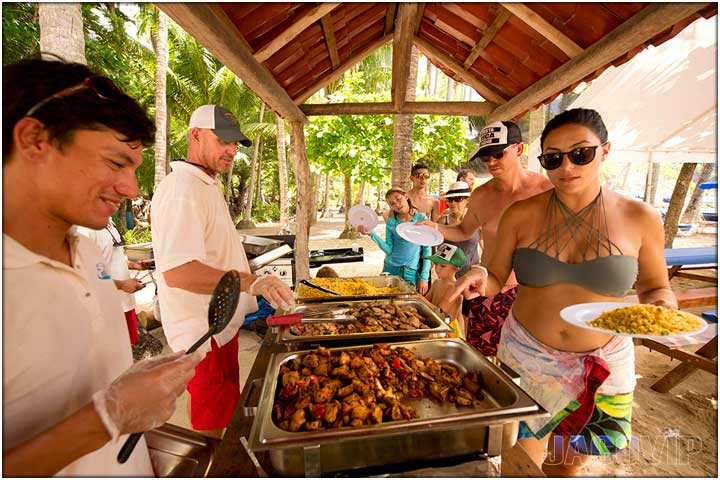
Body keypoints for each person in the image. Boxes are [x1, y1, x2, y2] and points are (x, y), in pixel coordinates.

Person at [448, 108, 677, 476]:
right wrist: (478, 275)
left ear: (605, 151)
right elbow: (494, 275)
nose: (566, 166)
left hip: (603, 362)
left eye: (580, 153)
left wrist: (663, 305)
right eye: (553, 158)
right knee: (518, 461)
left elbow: (654, 286)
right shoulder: (521, 215)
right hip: (526, 356)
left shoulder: (640, 217)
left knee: (567, 465)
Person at [3, 58, 201, 476]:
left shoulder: (89, 254)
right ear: (34, 139)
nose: (130, 189)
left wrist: (129, 385)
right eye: (115, 163)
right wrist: (107, 417)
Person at [151, 104, 294, 436]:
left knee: (227, 415)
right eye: (223, 141)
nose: (231, 150)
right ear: (196, 135)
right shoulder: (182, 190)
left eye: (235, 144)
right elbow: (179, 272)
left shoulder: (205, 184)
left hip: (221, 328)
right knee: (213, 427)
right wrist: (251, 282)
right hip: (203, 335)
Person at [419, 120, 553, 356]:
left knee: (523, 363)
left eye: (498, 154)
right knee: (481, 362)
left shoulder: (545, 191)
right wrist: (434, 227)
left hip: (530, 293)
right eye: (485, 157)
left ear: (519, 149)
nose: (491, 162)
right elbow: (463, 231)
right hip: (487, 289)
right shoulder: (481, 195)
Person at [77, 217, 147, 344]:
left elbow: (105, 259)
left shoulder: (108, 222)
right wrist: (122, 285)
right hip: (107, 307)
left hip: (124, 303)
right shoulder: (86, 229)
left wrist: (132, 265)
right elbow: (90, 274)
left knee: (127, 350)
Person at [358, 188, 430, 294]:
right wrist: (371, 234)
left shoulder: (420, 219)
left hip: (410, 272)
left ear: (406, 196)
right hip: (390, 269)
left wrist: (424, 277)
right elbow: (389, 250)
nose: (397, 204)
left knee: (408, 305)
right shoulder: (391, 222)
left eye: (398, 199)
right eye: (392, 204)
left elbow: (427, 250)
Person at [436, 181, 480, 277]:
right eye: (450, 199)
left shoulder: (477, 219)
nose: (453, 203)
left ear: (467, 200)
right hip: (449, 274)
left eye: (458, 199)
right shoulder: (443, 220)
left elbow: (485, 246)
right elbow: (437, 246)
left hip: (471, 272)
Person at [424, 243, 467, 335]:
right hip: (435, 324)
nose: (437, 269)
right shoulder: (436, 283)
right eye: (436, 264)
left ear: (456, 269)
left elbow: (446, 317)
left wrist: (420, 298)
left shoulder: (456, 290)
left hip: (448, 331)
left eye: (443, 266)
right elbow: (425, 303)